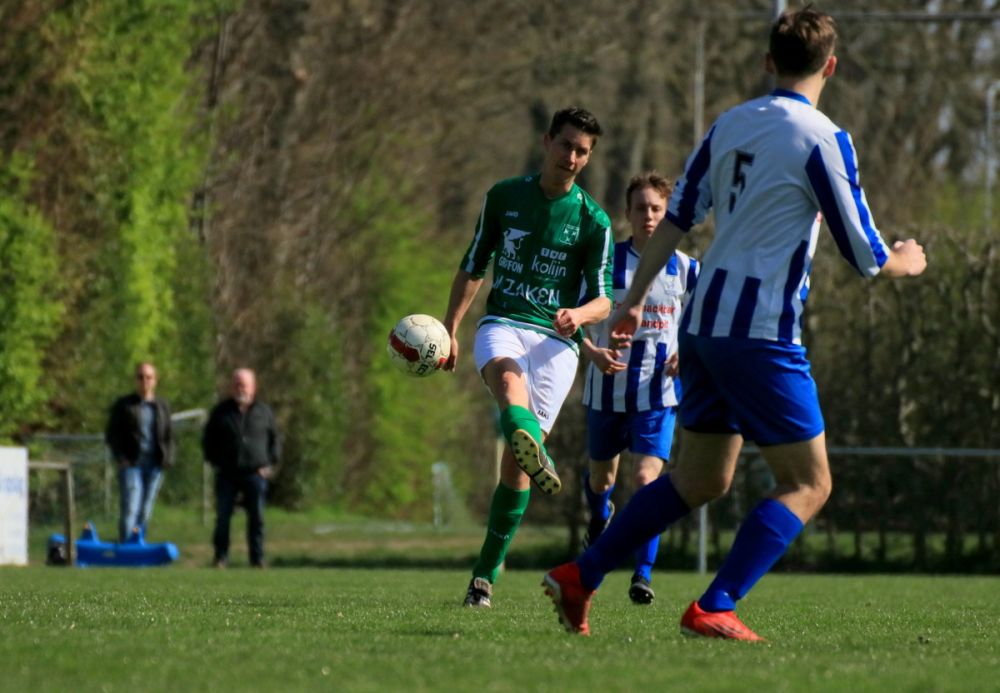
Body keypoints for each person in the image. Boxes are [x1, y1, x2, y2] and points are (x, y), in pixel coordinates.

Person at [543, 7, 927, 639]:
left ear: (767, 63)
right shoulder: (822, 138)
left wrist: (635, 296)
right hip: (761, 333)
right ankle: (716, 603)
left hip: (701, 326)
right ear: (830, 66)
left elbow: (677, 218)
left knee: (700, 476)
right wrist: (904, 261)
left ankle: (581, 576)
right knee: (808, 482)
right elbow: (864, 253)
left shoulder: (729, 124)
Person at [443, 106, 615, 608]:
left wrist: (579, 315)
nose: (573, 157)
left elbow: (604, 297)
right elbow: (474, 264)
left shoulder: (593, 220)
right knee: (508, 382)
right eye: (566, 145)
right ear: (547, 141)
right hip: (503, 324)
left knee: (516, 472)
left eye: (583, 151)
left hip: (557, 344)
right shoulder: (504, 196)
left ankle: (485, 573)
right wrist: (451, 329)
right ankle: (528, 438)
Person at [579, 172, 698, 605]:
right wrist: (591, 352)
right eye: (640, 208)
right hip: (605, 392)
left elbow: (705, 322)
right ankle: (598, 515)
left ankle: (642, 575)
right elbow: (576, 318)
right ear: (626, 214)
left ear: (666, 214)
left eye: (656, 209)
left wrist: (689, 352)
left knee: (648, 480)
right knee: (601, 477)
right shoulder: (605, 263)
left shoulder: (687, 268)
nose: (648, 216)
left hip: (658, 395)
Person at [203, 368, 280, 568]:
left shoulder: (263, 412)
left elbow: (275, 440)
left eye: (244, 384)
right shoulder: (221, 412)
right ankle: (221, 557)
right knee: (223, 517)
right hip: (227, 473)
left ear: (253, 387)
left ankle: (257, 558)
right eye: (236, 384)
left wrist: (269, 463)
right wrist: (215, 462)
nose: (240, 388)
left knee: (257, 518)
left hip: (255, 473)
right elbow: (208, 441)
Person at [105, 361, 174, 542]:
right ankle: (127, 547)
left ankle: (138, 544)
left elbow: (169, 435)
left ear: (155, 381)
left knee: (145, 510)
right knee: (131, 508)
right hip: (132, 463)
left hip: (155, 464)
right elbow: (112, 435)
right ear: (135, 380)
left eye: (149, 377)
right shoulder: (124, 405)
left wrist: (168, 457)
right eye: (140, 377)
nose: (145, 381)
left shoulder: (162, 406)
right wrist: (121, 458)